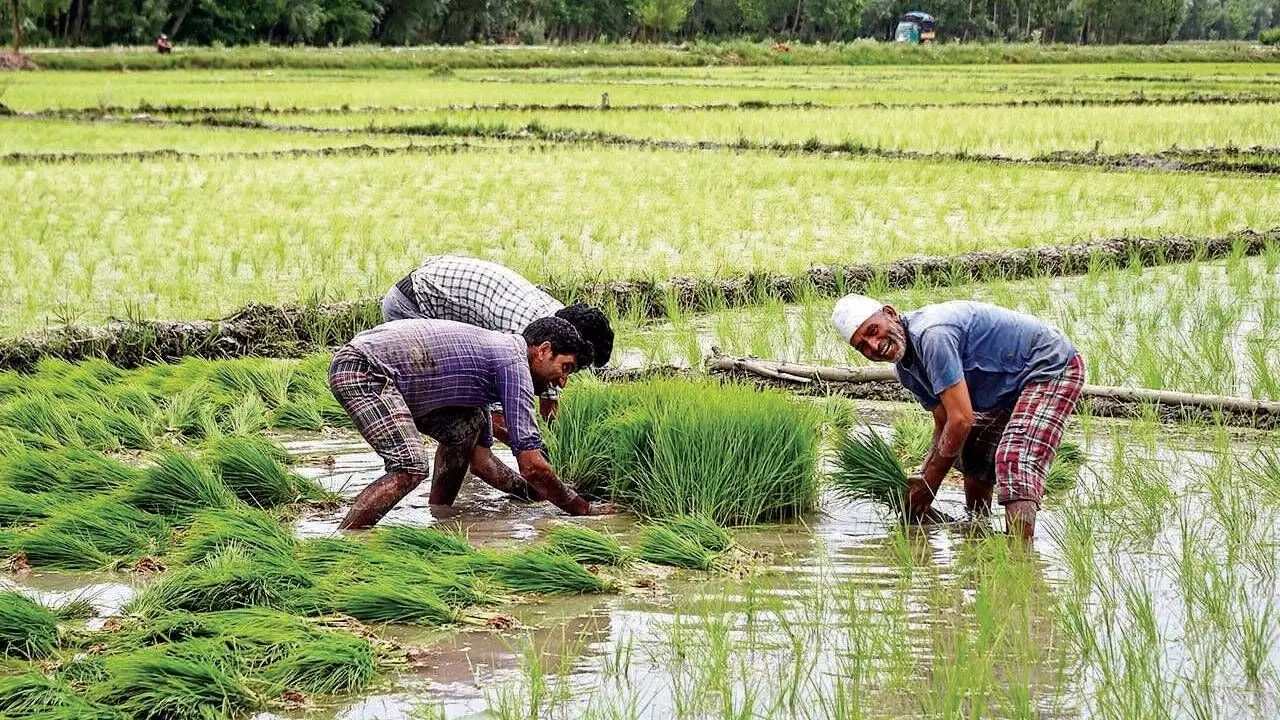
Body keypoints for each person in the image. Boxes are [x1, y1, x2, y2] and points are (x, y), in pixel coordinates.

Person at [329, 316, 621, 529]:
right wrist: (581, 507)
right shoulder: (513, 366)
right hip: (365, 370)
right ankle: (347, 539)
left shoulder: (490, 367)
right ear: (543, 351)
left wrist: (531, 493)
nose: (562, 381)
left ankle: (439, 514)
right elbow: (532, 465)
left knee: (466, 429)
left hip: (393, 376)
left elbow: (481, 462)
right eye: (565, 367)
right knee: (410, 466)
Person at [831, 296, 1084, 540]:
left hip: (1050, 365)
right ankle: (978, 531)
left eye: (873, 330)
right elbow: (944, 424)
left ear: (890, 313)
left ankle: (1019, 559)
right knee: (972, 449)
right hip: (1008, 383)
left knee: (1014, 457)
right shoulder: (906, 371)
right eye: (862, 345)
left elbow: (961, 420)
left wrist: (928, 487)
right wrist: (922, 477)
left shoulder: (932, 335)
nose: (873, 345)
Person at [383, 253, 613, 445]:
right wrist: (540, 456)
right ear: (549, 348)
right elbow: (496, 415)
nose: (565, 379)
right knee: (465, 414)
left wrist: (560, 444)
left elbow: (549, 395)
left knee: (472, 421)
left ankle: (464, 474)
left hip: (443, 289)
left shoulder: (558, 325)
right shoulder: (521, 333)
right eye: (571, 366)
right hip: (413, 305)